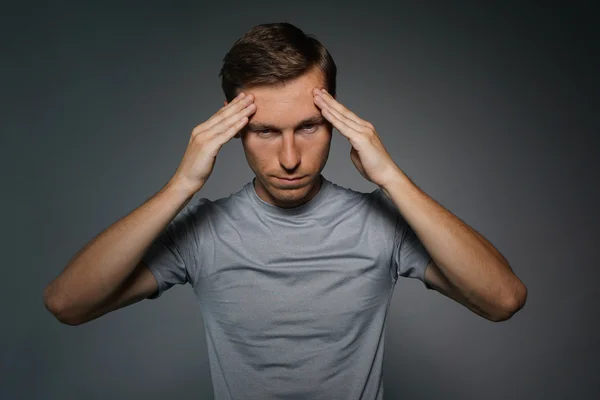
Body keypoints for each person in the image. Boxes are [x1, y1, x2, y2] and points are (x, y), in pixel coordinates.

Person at [43, 22, 527, 399]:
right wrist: (182, 185)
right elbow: (68, 304)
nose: (291, 158)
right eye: (267, 131)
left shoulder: (381, 223)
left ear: (337, 121)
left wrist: (391, 178)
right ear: (234, 131)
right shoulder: (204, 232)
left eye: (310, 127)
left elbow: (502, 299)